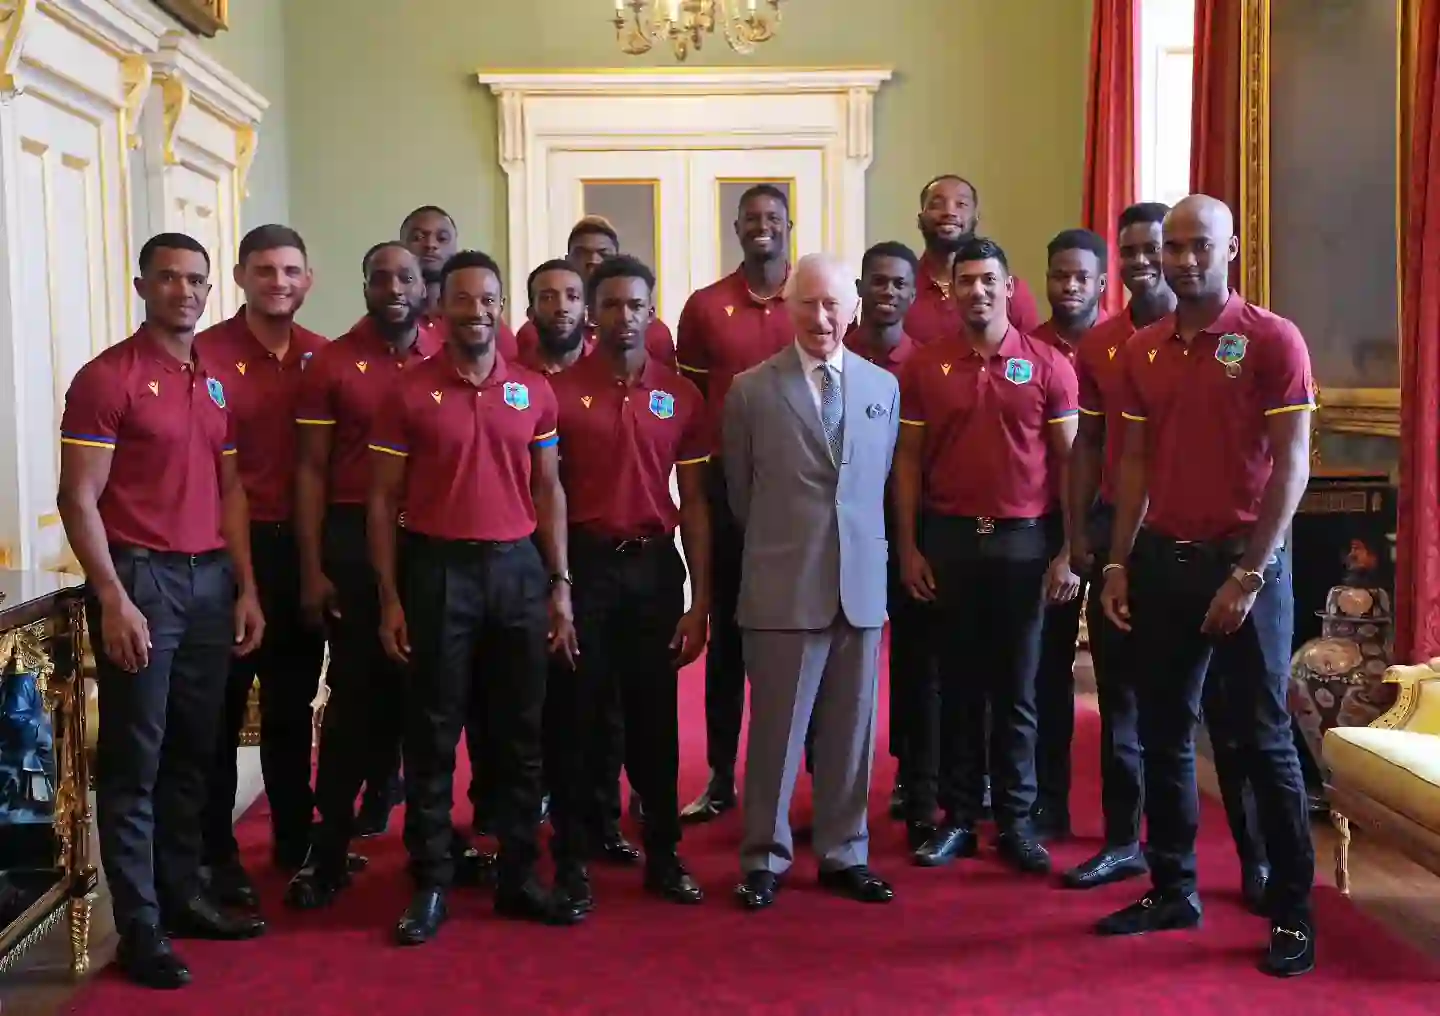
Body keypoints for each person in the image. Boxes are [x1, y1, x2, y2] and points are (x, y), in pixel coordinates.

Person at [1095, 194, 1317, 978]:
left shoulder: (1271, 340)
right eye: (1172, 247)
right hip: (1162, 561)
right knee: (1162, 734)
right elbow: (1132, 463)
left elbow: (1294, 464)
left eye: (1199, 247)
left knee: (1261, 742)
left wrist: (1251, 575)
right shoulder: (1144, 349)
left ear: (1230, 251)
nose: (1183, 260)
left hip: (1245, 565)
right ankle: (1172, 887)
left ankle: (1292, 912)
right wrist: (1118, 561)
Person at [57, 233, 267, 990]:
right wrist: (111, 596)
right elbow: (77, 496)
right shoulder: (107, 378)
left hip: (211, 580)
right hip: (141, 582)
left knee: (193, 754)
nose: (185, 291)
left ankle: (182, 899)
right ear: (142, 285)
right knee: (135, 763)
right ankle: (139, 927)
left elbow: (233, 490)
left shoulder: (214, 381)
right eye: (170, 279)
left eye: (197, 281)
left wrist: (244, 586)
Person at [369, 250, 584, 944]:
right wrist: (389, 598)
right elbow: (381, 501)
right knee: (432, 735)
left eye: (488, 299)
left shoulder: (533, 393)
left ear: (502, 308)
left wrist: (559, 585)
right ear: (443, 308)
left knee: (521, 734)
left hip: (517, 570)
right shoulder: (406, 394)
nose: (475, 310)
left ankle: (520, 874)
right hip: (437, 572)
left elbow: (549, 489)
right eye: (462, 299)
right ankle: (431, 880)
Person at [895, 237, 1079, 876]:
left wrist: (1069, 554)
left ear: (1009, 286)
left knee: (1020, 691)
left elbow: (1069, 467)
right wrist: (910, 547)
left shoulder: (1049, 364)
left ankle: (1018, 822)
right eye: (965, 281)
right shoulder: (925, 368)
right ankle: (959, 819)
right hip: (948, 543)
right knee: (958, 689)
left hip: (1025, 546)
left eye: (988, 281)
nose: (977, 291)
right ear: (953, 291)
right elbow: (908, 463)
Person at [726, 252, 899, 911]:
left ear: (853, 308)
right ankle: (764, 859)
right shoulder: (751, 390)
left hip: (858, 585)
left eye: (833, 304)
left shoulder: (882, 388)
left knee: (852, 733)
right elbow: (741, 493)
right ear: (788, 309)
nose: (821, 317)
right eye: (809, 303)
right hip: (782, 584)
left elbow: (875, 486)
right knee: (776, 733)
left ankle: (843, 852)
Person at [545, 255, 711, 912]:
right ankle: (571, 857)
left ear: (651, 312)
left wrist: (701, 601)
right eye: (610, 304)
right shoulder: (554, 393)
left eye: (636, 305)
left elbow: (696, 502)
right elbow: (546, 492)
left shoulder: (682, 396)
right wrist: (556, 587)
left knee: (653, 718)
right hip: (584, 567)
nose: (624, 316)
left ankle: (665, 853)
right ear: (591, 313)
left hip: (652, 567)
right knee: (575, 716)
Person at [286, 242, 438, 908]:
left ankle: (429, 851)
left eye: (406, 277)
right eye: (382, 277)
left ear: (422, 283)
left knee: (432, 702)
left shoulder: (448, 352)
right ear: (366, 286)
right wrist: (313, 566)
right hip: (351, 540)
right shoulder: (333, 364)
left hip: (433, 541)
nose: (395, 287)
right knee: (354, 701)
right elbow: (312, 471)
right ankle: (329, 847)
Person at [196, 226, 328, 909]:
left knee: (290, 703)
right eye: (266, 270)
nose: (280, 281)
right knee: (222, 710)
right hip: (222, 555)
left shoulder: (323, 358)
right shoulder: (206, 354)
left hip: (299, 550)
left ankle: (294, 838)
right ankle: (214, 852)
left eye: (292, 271)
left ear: (309, 280)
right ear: (242, 276)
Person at [676, 184, 795, 823]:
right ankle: (721, 775)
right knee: (728, 638)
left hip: (801, 493)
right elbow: (690, 406)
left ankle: (794, 783)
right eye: (751, 218)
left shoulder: (811, 300)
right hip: (727, 491)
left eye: (773, 217)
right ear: (736, 228)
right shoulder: (704, 307)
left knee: (796, 637)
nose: (762, 227)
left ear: (789, 226)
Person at [519, 256, 642, 864]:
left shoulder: (623, 382)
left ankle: (603, 817)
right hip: (533, 557)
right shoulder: (523, 385)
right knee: (550, 699)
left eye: (572, 295)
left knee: (608, 701)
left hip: (603, 557)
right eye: (550, 296)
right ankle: (540, 818)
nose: (562, 306)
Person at [843, 241, 936, 850]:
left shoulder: (928, 365)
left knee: (916, 663)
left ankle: (914, 779)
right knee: (840, 661)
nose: (888, 292)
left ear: (912, 292)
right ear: (860, 287)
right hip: (843, 532)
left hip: (912, 530)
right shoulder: (833, 355)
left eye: (900, 283)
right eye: (877, 281)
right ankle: (833, 784)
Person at [1029, 228, 1108, 841]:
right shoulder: (1027, 350)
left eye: (1082, 276)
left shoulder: (1129, 345)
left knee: (1120, 685)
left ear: (1101, 282)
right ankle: (1045, 802)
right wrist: (1062, 545)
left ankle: (1122, 826)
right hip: (1050, 531)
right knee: (1047, 673)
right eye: (1060, 275)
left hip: (1119, 528)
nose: (1071, 285)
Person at [516, 216, 677, 368]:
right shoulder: (534, 332)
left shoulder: (655, 333)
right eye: (581, 254)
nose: (592, 261)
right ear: (567, 260)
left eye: (603, 254)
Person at [906, 176, 1041, 344]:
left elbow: (1033, 359)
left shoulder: (1008, 290)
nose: (949, 212)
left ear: (975, 218)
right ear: (920, 220)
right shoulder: (901, 288)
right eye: (937, 204)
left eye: (961, 204)